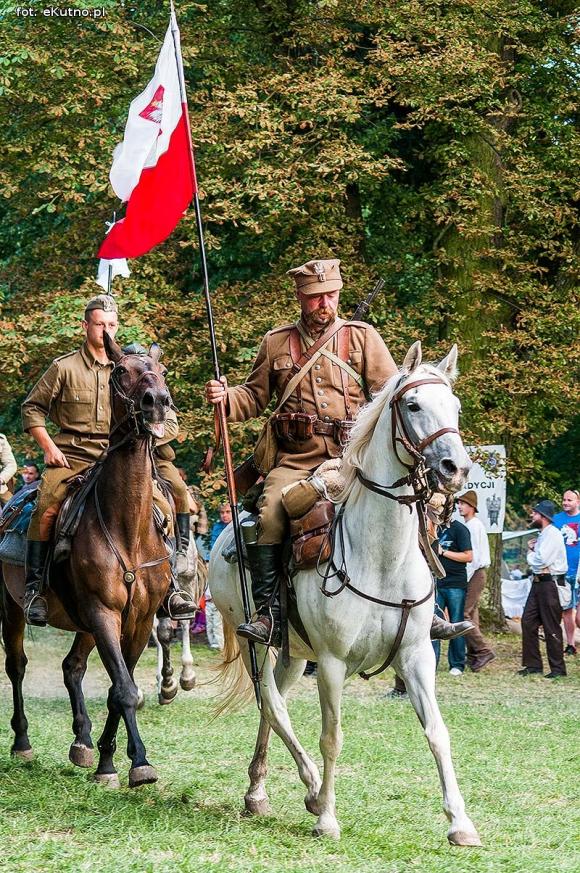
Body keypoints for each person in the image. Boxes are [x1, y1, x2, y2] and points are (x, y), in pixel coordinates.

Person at [206, 257, 471, 648]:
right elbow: (254, 397)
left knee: (416, 506)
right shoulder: (276, 342)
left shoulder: (363, 337)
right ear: (300, 296)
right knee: (269, 514)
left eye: (329, 295)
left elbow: (391, 396)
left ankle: (423, 609)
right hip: (295, 458)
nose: (323, 304)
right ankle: (268, 614)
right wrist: (225, 398)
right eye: (314, 297)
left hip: (354, 457)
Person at [20, 295, 195, 626]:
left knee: (163, 507)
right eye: (99, 324)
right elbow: (32, 408)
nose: (105, 331)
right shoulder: (64, 367)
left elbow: (159, 414)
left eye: (111, 325)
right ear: (86, 326)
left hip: (119, 458)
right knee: (45, 507)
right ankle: (35, 591)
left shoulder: (133, 369)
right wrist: (47, 445)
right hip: (72, 456)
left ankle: (171, 586)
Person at [519, 500, 568, 678]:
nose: (532, 515)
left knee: (551, 626)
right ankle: (533, 665)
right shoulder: (543, 535)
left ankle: (558, 669)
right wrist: (534, 551)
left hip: (550, 584)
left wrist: (531, 553)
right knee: (528, 621)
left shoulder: (553, 534)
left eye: (535, 513)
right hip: (538, 582)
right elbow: (538, 562)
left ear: (543, 516)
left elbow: (541, 561)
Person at [456, 490, 495, 671]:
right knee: (472, 615)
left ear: (471, 507)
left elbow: (473, 557)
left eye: (463, 504)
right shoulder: (472, 524)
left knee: (463, 614)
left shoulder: (473, 526)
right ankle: (475, 656)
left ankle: (483, 650)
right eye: (459, 504)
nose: (459, 507)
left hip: (475, 573)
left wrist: (466, 579)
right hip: (476, 573)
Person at [432, 519, 473, 675]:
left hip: (455, 583)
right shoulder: (435, 528)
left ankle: (457, 664)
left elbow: (468, 556)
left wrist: (444, 552)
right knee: (433, 624)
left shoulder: (460, 529)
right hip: (437, 583)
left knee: (456, 622)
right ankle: (431, 662)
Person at [552, 489, 580, 655]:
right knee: (567, 610)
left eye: (569, 500)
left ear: (577, 502)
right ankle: (570, 644)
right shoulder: (557, 520)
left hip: (579, 571)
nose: (566, 503)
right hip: (563, 571)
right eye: (564, 500)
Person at [0, 433, 17, 507]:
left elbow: (11, 465)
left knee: (17, 509)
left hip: (1, 489)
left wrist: (1, 479)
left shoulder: (1, 439)